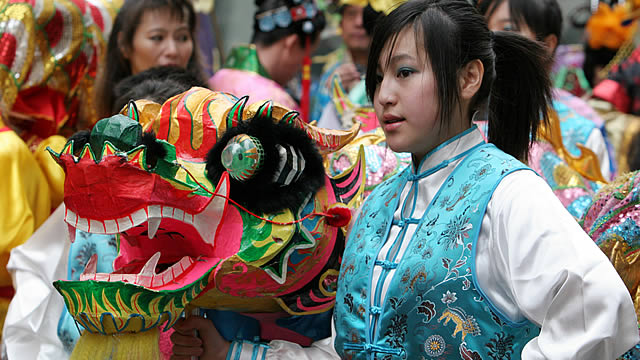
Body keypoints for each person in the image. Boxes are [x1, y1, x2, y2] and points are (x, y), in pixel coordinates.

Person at [169, 1, 639, 359]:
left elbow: (598, 313)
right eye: (378, 77)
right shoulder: (379, 204)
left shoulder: (508, 192)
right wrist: (234, 352)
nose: (384, 95)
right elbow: (350, 349)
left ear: (469, 77)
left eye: (405, 72)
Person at [478, 0, 616, 181]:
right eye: (482, 30)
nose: (491, 39)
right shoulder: (459, 118)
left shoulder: (581, 133)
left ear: (547, 45)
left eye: (509, 28)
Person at [208, 0, 326, 118]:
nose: (299, 68)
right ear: (292, 44)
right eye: (305, 58)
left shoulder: (215, 79)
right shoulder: (278, 106)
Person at [95, 0, 205, 119]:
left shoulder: (216, 113)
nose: (172, 51)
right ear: (124, 45)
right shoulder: (104, 125)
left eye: (183, 37)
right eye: (157, 37)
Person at [310, 1, 372, 122]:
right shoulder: (330, 76)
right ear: (340, 25)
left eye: (367, 15)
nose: (359, 22)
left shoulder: (395, 73)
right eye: (351, 14)